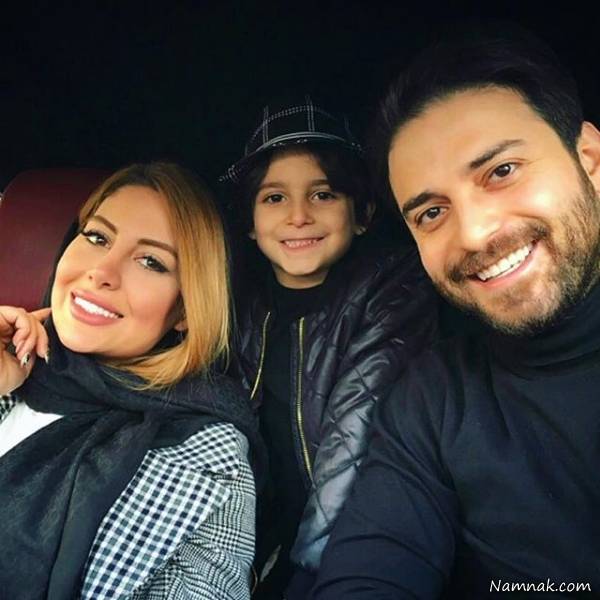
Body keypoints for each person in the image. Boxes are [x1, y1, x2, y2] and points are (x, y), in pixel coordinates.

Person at [312, 28, 600, 599]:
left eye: (502, 171)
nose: (472, 233)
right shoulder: (430, 401)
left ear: (589, 160)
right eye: (431, 213)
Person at [0, 162, 265, 599]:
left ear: (185, 310)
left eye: (151, 261)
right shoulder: (15, 365)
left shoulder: (206, 453)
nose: (102, 271)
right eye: (97, 237)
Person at [222, 97, 438, 599]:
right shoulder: (237, 303)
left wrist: (307, 572)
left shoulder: (392, 290)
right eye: (274, 198)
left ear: (362, 213)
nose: (298, 216)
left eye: (323, 194)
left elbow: (355, 433)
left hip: (345, 540)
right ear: (250, 223)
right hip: (252, 537)